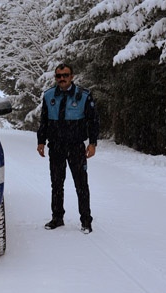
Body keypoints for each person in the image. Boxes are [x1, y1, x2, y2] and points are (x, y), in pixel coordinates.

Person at [37, 63, 99, 234]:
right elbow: (44, 121)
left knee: (81, 184)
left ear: (72, 76)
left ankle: (86, 220)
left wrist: (92, 143)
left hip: (76, 147)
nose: (62, 79)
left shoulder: (83, 96)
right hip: (56, 147)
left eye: (65, 75)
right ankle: (57, 217)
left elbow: (93, 121)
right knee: (56, 184)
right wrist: (41, 141)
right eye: (58, 76)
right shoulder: (49, 96)